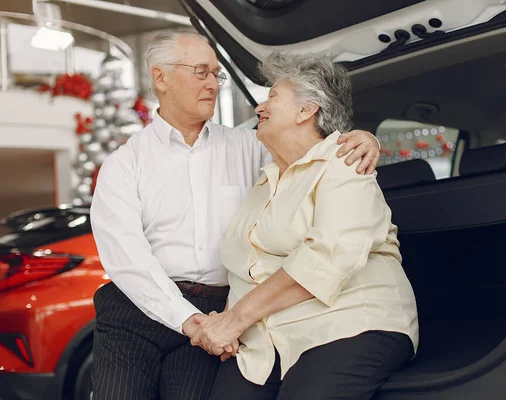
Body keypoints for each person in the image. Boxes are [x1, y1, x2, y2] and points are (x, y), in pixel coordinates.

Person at [89, 32, 381, 400]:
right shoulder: (124, 164)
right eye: (200, 72)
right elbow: (126, 258)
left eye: (216, 74)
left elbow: (309, 159)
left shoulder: (252, 146)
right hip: (136, 311)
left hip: (217, 311)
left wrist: (361, 138)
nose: (213, 83)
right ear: (160, 77)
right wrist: (186, 319)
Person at [194, 52, 419, 400]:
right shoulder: (263, 181)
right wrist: (227, 327)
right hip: (266, 341)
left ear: (306, 110)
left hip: (348, 324)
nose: (259, 108)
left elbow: (327, 258)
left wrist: (234, 320)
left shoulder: (343, 162)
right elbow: (245, 269)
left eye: (273, 97)